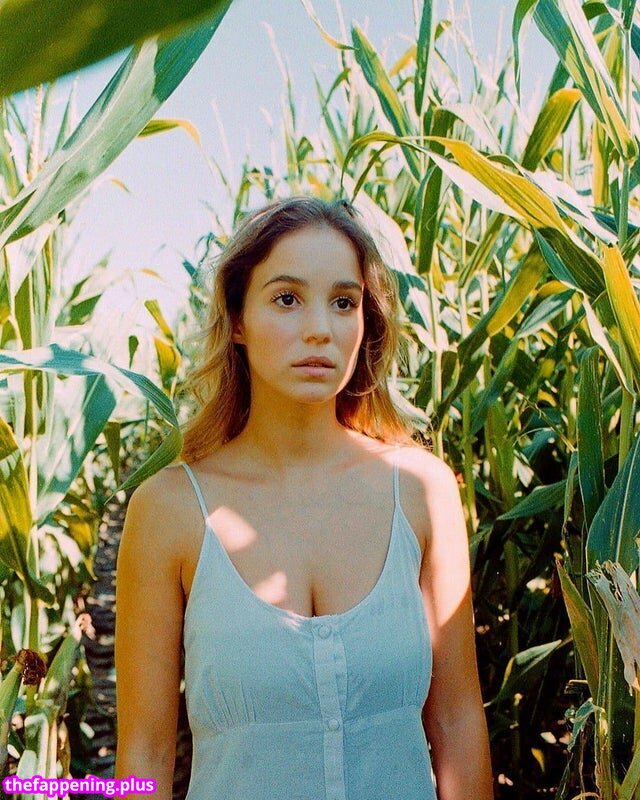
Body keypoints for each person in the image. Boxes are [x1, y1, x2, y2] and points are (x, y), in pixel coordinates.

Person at [114, 196, 494, 800]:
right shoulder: (170, 509)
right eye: (287, 298)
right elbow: (145, 754)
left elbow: (457, 724)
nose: (321, 328)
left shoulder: (423, 491)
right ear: (237, 320)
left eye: (343, 302)